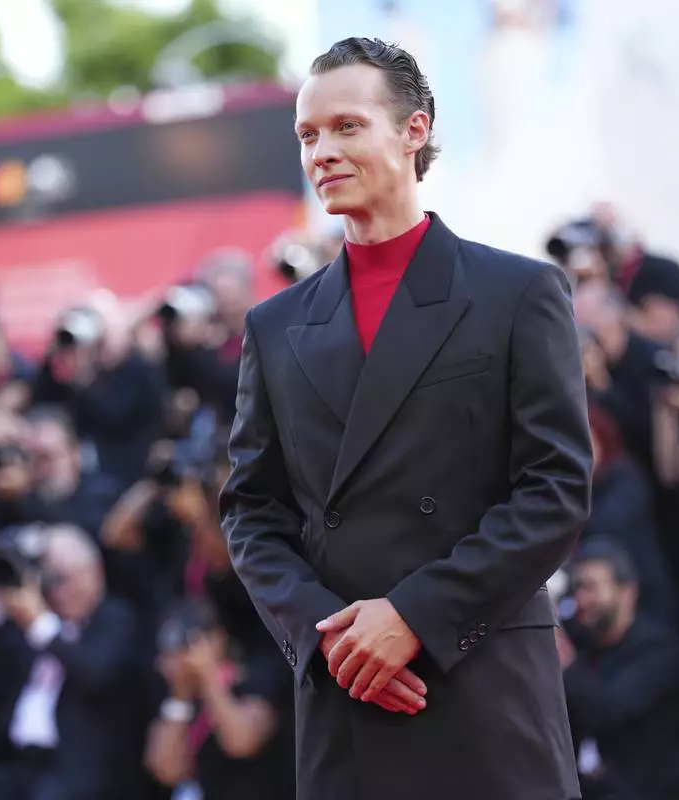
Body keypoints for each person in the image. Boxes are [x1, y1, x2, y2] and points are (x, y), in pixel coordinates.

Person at [220, 37, 592, 800]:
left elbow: (554, 489)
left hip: (479, 682)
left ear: (414, 131)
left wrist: (416, 617)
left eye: (347, 127)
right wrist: (331, 641)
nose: (322, 151)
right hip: (348, 691)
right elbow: (251, 511)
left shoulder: (517, 293)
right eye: (308, 135)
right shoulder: (275, 325)